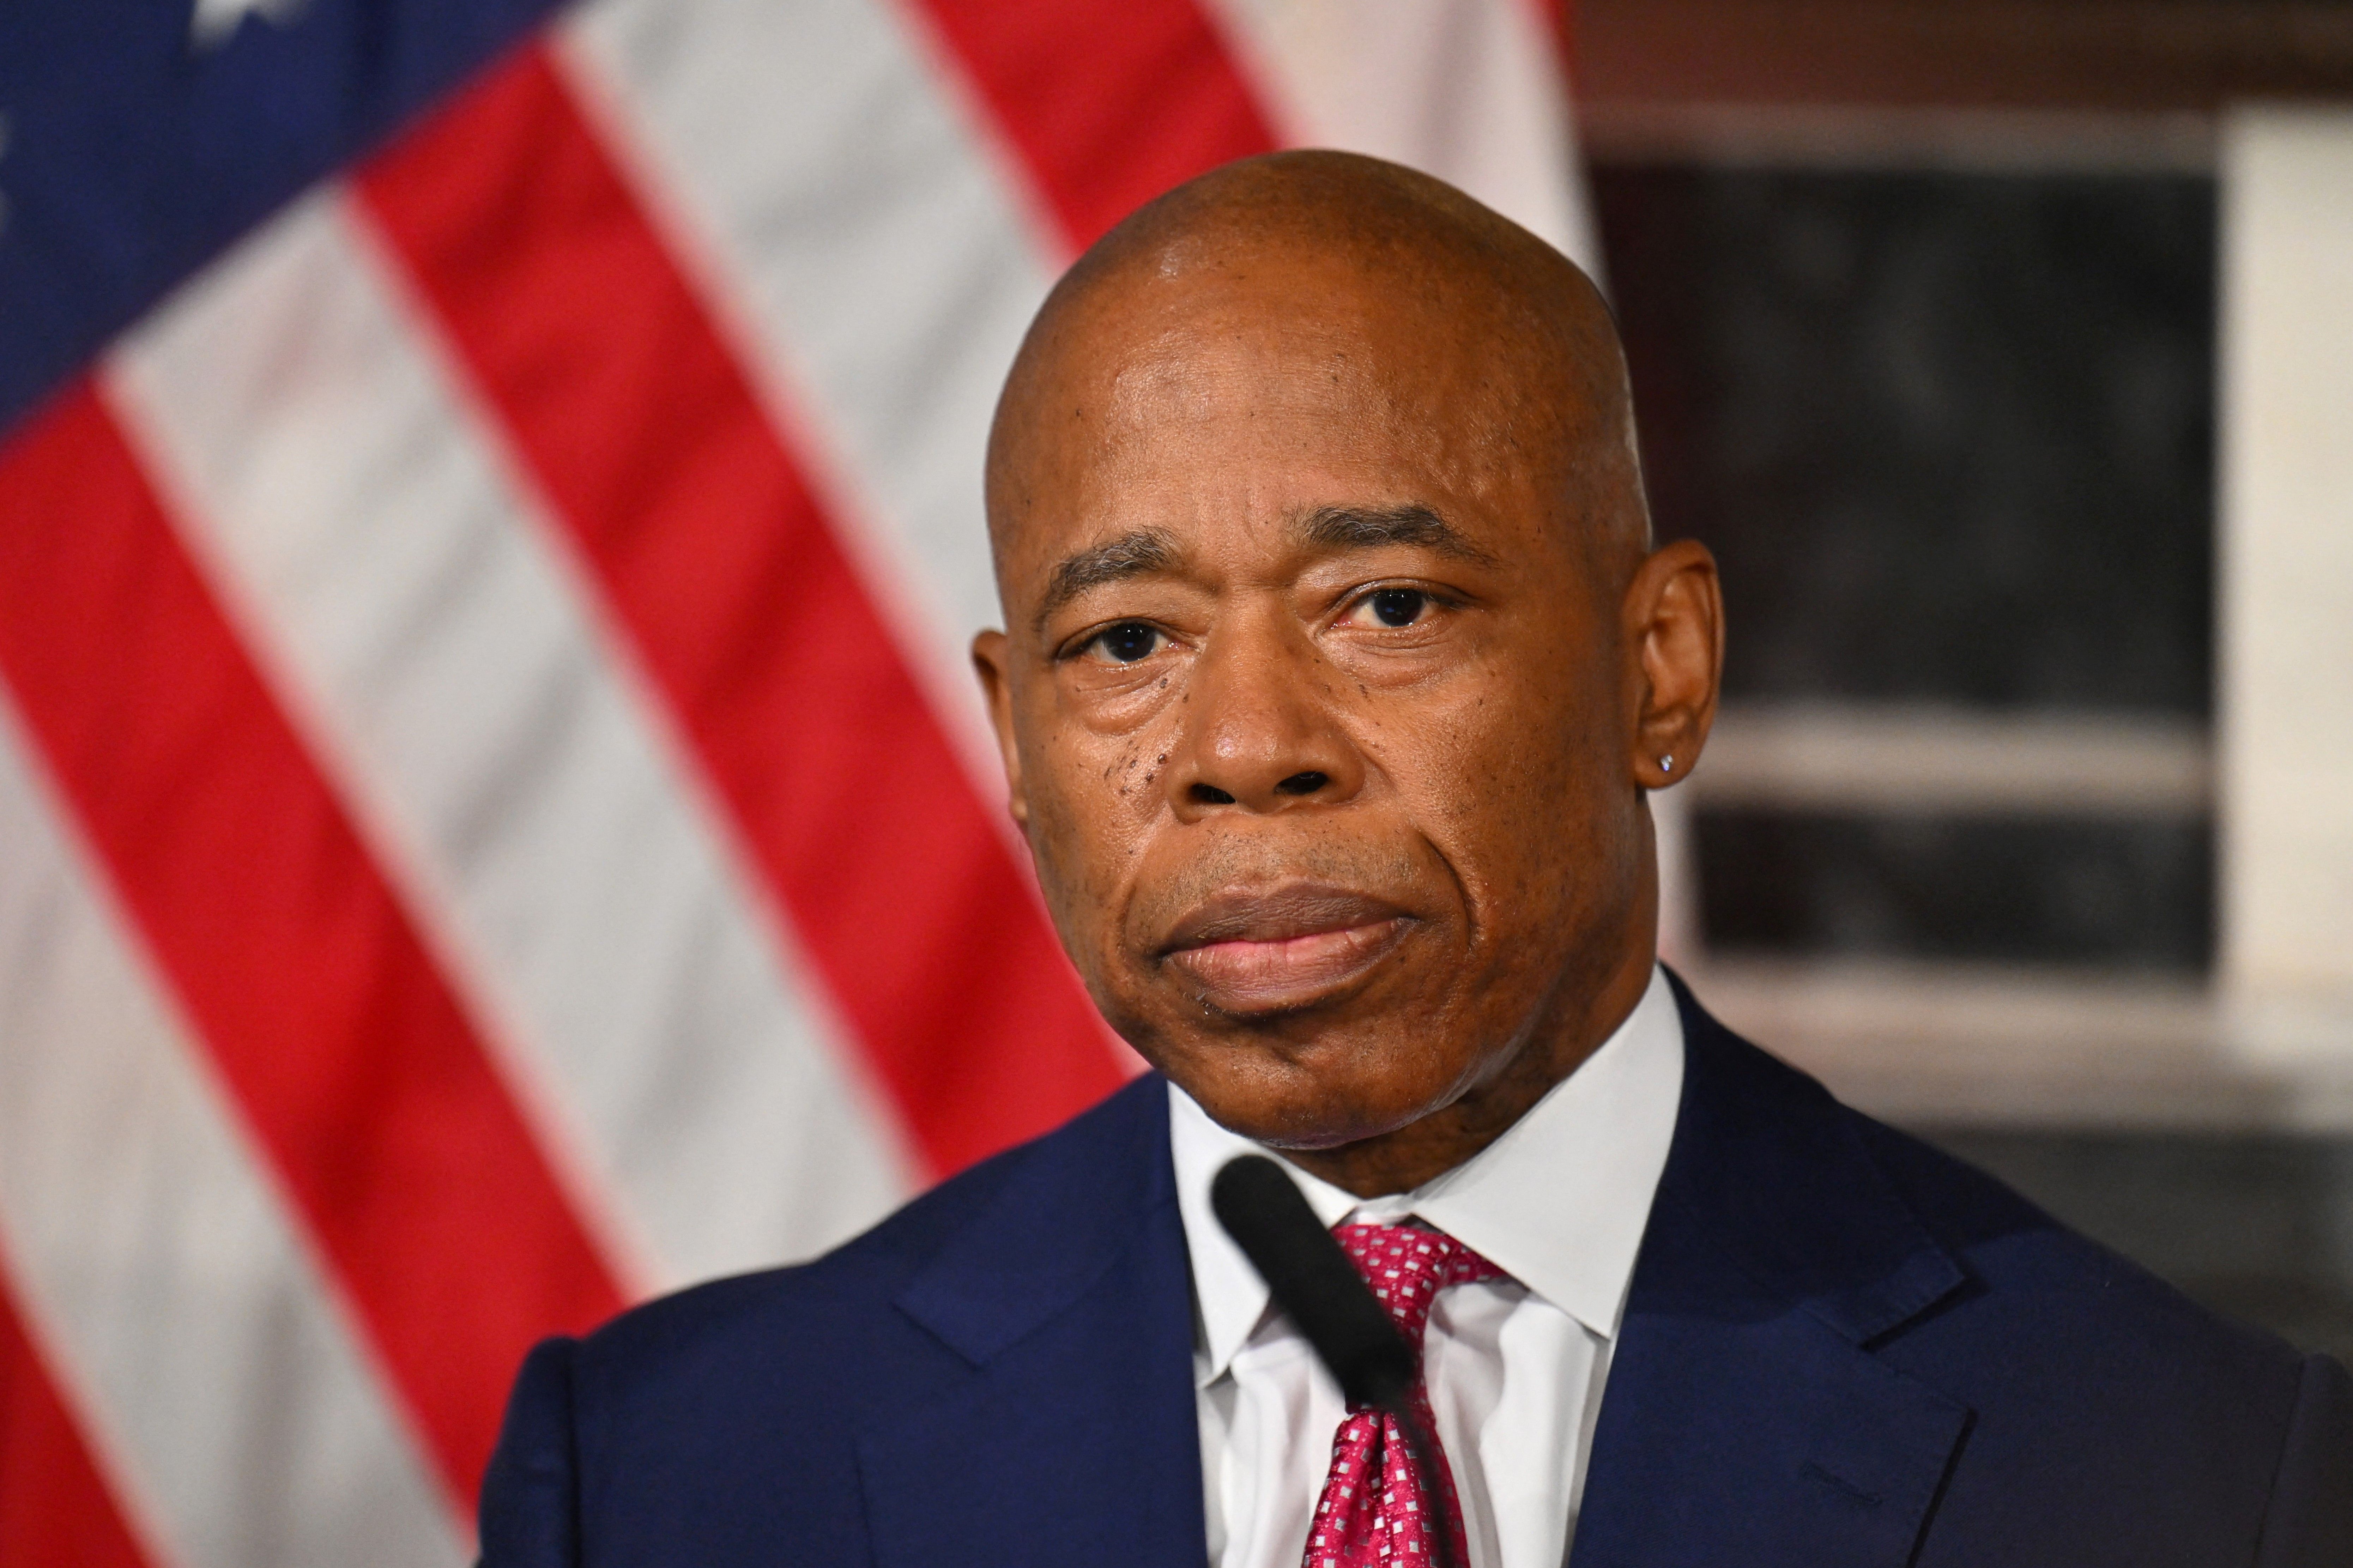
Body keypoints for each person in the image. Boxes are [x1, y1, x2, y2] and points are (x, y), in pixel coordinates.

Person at [476, 151, 2352, 1567]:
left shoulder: (2195, 1477)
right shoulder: (667, 1480)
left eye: (1384, 605)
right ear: (1012, 741)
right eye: (1125, 643)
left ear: (1660, 670)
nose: (1241, 751)